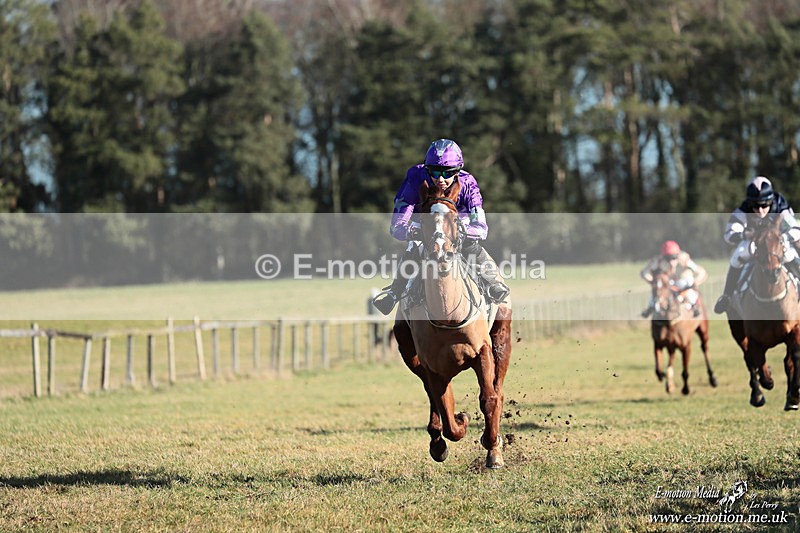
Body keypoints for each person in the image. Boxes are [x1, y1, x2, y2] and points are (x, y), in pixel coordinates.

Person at [371, 138, 510, 316]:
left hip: (458, 223)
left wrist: (457, 231)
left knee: (470, 245)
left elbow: (481, 228)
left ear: (457, 171)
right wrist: (419, 232)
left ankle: (492, 284)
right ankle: (395, 292)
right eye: (435, 172)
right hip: (427, 222)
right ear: (427, 170)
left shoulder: (468, 183)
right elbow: (397, 226)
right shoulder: (415, 177)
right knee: (415, 246)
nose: (441, 179)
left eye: (448, 173)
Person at [714, 176, 800, 314]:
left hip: (778, 241)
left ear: (771, 201)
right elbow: (729, 234)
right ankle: (727, 296)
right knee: (738, 255)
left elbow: (796, 230)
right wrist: (744, 235)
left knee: (790, 255)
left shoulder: (780, 206)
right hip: (755, 242)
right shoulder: (743, 210)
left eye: (764, 205)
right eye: (756, 206)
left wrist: (783, 237)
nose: (760, 210)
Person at [640, 240, 707, 318]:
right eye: (667, 258)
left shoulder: (685, 259)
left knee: (690, 294)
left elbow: (701, 272)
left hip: (683, 283)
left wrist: (696, 281)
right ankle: (651, 307)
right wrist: (653, 281)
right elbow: (645, 273)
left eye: (674, 258)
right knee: (657, 292)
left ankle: (694, 307)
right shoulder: (658, 261)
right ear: (663, 257)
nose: (671, 261)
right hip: (669, 283)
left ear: (678, 255)